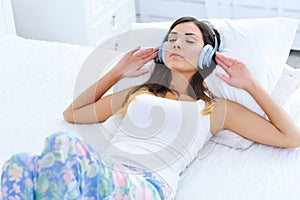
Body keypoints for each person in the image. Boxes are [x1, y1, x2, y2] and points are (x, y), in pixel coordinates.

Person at [2, 16, 300, 200]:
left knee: (60, 144)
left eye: (188, 39)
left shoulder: (214, 108)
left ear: (208, 56)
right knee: (18, 165)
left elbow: (290, 137)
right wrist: (117, 71)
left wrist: (250, 85)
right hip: (104, 172)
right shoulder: (139, 93)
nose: (176, 45)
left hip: (147, 185)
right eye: (171, 40)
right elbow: (74, 114)